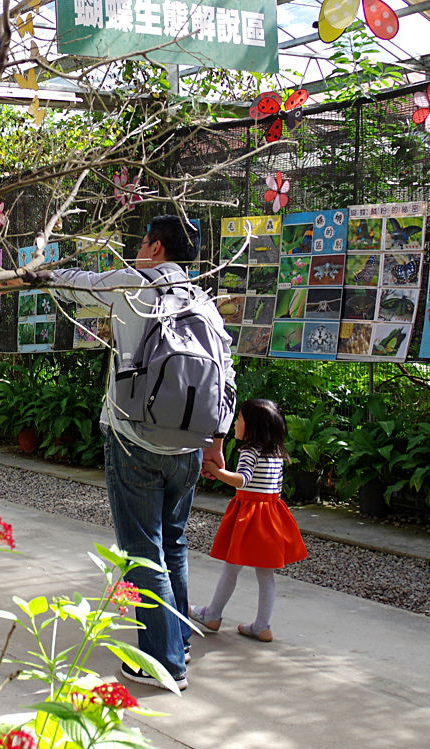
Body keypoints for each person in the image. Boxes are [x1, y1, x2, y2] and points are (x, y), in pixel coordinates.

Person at [45, 215, 233, 691]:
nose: (136, 249)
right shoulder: (202, 300)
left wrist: (39, 272)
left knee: (142, 554)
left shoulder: (134, 285)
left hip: (135, 438)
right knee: (173, 544)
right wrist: (217, 440)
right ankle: (178, 640)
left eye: (140, 242)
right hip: (191, 444)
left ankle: (163, 662)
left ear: (154, 247)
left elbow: (78, 286)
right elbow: (226, 370)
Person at [190, 398, 308, 642]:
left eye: (240, 420)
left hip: (249, 517)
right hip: (271, 517)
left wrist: (215, 472)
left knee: (231, 568)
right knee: (266, 575)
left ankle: (212, 614)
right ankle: (262, 625)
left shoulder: (249, 452)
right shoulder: (277, 453)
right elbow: (275, 487)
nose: (234, 424)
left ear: (254, 427)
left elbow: (242, 480)